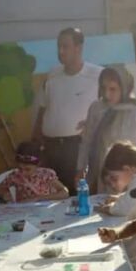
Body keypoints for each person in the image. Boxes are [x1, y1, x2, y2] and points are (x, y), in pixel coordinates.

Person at [32, 27, 103, 193]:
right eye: (59, 46)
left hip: (78, 147)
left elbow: (109, 107)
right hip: (51, 148)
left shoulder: (97, 75)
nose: (60, 51)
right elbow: (42, 108)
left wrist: (95, 125)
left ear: (78, 48)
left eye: (65, 46)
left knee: (79, 195)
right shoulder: (52, 76)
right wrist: (36, 139)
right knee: (53, 196)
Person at [76, 65, 136, 193]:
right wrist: (80, 169)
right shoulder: (97, 109)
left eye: (113, 89)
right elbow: (87, 141)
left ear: (124, 89)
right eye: (103, 88)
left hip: (130, 176)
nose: (107, 94)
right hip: (106, 176)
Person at [96, 142, 136, 260]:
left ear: (128, 169)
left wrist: (106, 208)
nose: (113, 185)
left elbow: (121, 209)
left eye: (114, 178)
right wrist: (119, 198)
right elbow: (133, 198)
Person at [0, 141, 69, 203]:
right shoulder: (14, 176)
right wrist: (3, 194)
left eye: (27, 169)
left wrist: (38, 198)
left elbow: (65, 193)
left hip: (45, 211)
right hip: (23, 212)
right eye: (20, 168)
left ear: (38, 165)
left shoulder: (46, 175)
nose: (23, 173)